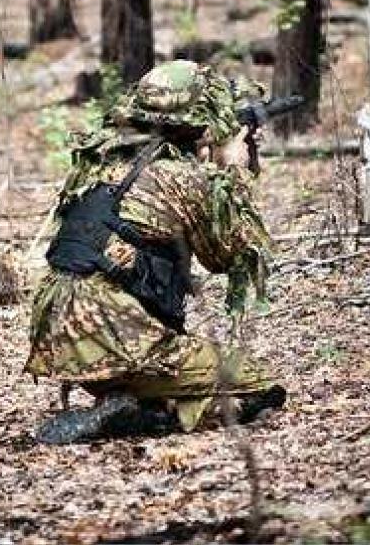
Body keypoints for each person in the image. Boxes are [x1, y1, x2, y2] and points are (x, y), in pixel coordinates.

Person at [26, 60, 286, 444]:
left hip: (63, 338)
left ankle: (125, 400)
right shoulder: (182, 177)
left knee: (171, 370)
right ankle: (141, 417)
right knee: (259, 387)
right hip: (118, 339)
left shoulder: (107, 156)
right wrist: (233, 170)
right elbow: (227, 255)